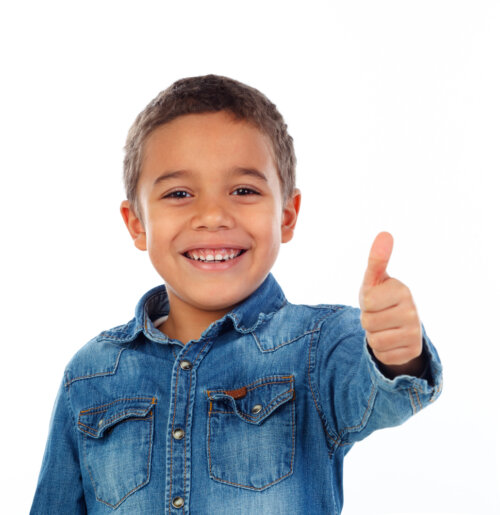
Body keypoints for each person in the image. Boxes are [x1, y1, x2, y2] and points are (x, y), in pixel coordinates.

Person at [30, 74, 443, 514]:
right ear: (137, 223)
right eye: (179, 193)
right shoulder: (90, 374)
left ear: (286, 214)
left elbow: (382, 391)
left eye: (244, 190)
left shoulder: (319, 345)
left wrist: (396, 352)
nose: (212, 215)